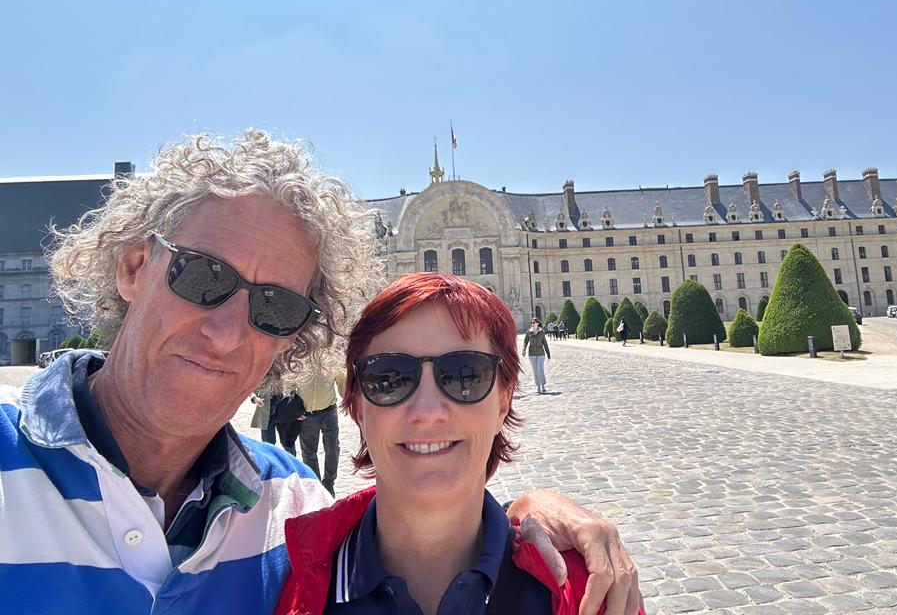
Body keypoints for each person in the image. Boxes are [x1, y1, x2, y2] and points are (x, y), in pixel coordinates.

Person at [0, 131, 638, 615]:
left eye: (275, 306)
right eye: (202, 275)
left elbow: (419, 518)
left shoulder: (291, 510)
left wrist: (528, 517)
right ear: (134, 266)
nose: (226, 331)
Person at [275, 273, 644, 615]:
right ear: (356, 406)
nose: (428, 411)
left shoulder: (593, 592)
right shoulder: (278, 582)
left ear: (504, 402)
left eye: (465, 375)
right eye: (389, 379)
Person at [297, 371, 345, 496]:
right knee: (308, 452)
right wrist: (293, 409)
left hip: (329, 412)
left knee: (333, 447)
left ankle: (329, 482)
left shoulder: (330, 360)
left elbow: (342, 383)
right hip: (305, 415)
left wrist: (349, 399)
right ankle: (316, 486)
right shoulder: (298, 359)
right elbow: (290, 385)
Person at [522, 317, 552, 394]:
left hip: (540, 353)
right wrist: (524, 350)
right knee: (535, 371)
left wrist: (548, 354)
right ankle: (538, 386)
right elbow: (525, 341)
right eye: (531, 323)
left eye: (534, 322)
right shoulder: (529, 332)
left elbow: (545, 343)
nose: (532, 324)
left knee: (540, 369)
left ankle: (543, 385)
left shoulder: (541, 332)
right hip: (531, 354)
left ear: (537, 323)